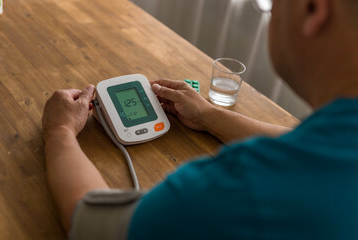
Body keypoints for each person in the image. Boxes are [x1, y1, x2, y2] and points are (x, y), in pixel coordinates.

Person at [42, 0, 358, 239]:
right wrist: (209, 115)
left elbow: (89, 222)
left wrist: (60, 131)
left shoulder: (245, 185)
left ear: (314, 9)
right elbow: (306, 148)